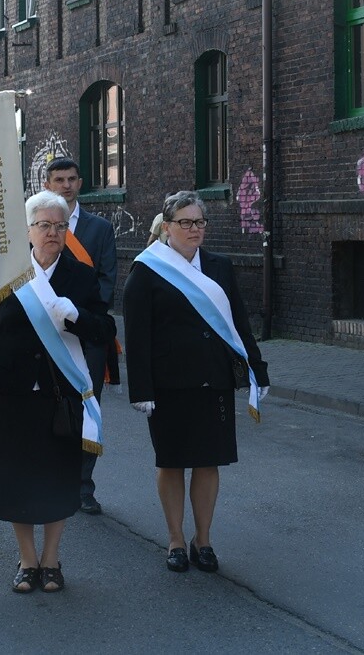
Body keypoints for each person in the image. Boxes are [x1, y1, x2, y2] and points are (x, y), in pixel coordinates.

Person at [0, 190, 114, 593]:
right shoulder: (7, 274)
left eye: (59, 225)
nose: (52, 232)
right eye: (44, 225)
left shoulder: (81, 276)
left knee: (57, 477)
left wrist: (76, 317)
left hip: (60, 394)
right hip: (10, 393)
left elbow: (103, 331)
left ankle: (51, 559)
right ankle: (27, 560)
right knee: (16, 478)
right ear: (28, 231)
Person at [123, 190, 270, 574]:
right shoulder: (147, 269)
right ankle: (175, 539)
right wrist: (141, 389)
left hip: (212, 380)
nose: (194, 229)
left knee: (207, 462)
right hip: (169, 384)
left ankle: (202, 540)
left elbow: (239, 323)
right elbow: (137, 336)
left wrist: (257, 369)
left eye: (200, 222)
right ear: (167, 227)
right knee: (171, 463)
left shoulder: (220, 266)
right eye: (185, 222)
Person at [44, 157, 118, 516]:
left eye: (72, 179)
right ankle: (53, 477)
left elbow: (106, 282)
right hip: (46, 332)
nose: (66, 185)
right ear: (48, 184)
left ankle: (83, 486)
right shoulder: (36, 226)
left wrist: (78, 317)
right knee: (50, 406)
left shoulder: (99, 228)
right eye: (59, 179)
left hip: (87, 333)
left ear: (80, 182)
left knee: (88, 407)